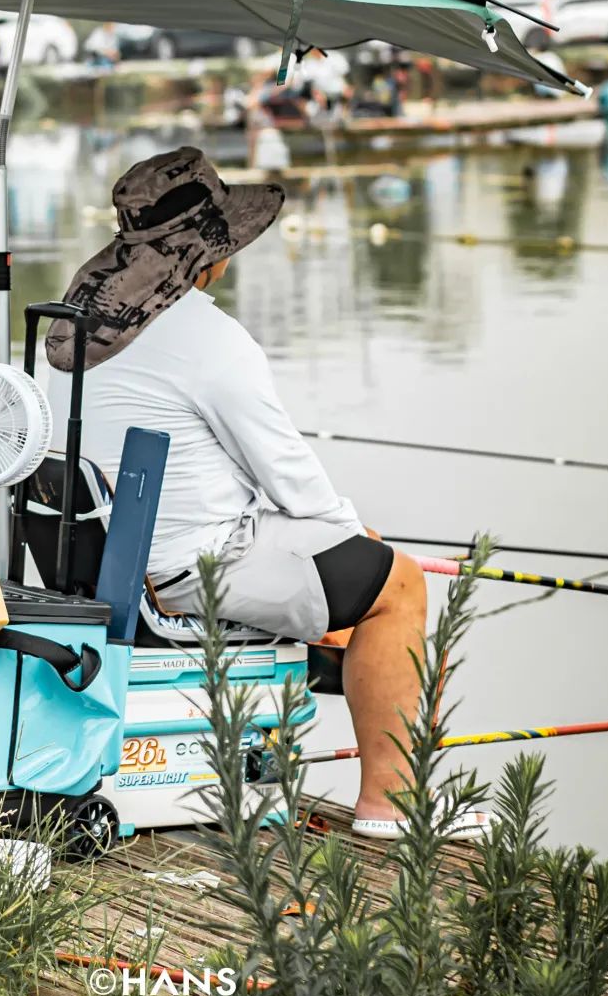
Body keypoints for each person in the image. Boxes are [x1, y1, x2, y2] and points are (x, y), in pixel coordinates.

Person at [46, 146, 489, 837]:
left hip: (117, 560)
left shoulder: (78, 326)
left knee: (339, 578)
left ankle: (324, 720)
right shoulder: (209, 339)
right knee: (395, 586)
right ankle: (392, 808)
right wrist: (355, 536)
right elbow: (291, 478)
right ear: (208, 254)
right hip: (189, 571)